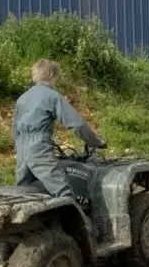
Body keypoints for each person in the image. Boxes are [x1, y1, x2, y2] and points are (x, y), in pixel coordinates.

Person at [13, 59, 107, 199]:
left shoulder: (22, 98)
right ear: (51, 74)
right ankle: (74, 220)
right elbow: (77, 124)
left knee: (24, 192)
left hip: (21, 147)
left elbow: (15, 129)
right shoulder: (52, 96)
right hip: (38, 147)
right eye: (57, 77)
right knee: (62, 191)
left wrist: (21, 145)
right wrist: (95, 141)